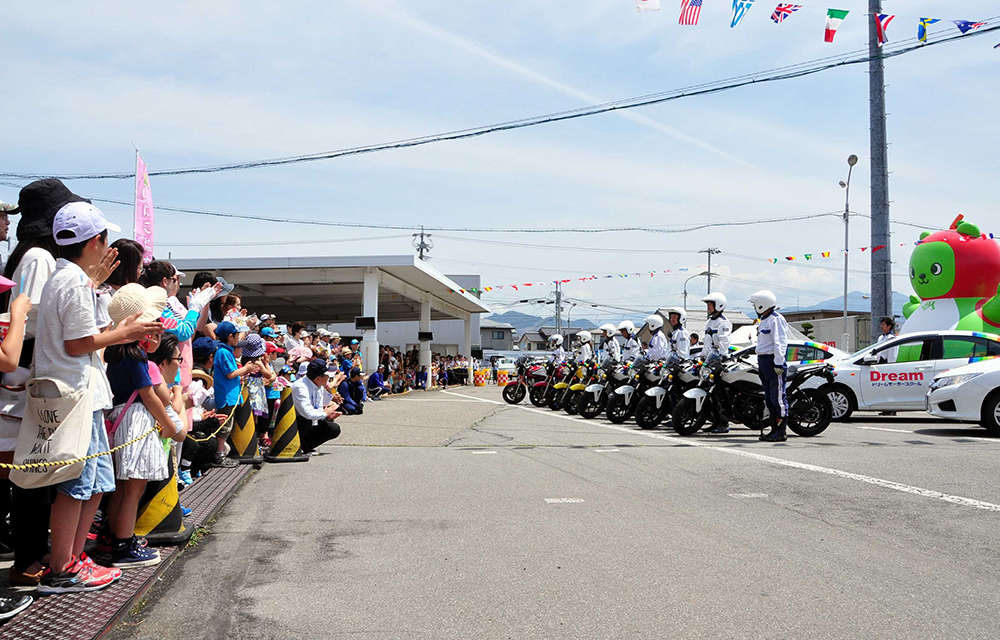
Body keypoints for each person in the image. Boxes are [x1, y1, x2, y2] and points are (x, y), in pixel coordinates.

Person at [35, 202, 163, 594]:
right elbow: (78, 344)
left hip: (81, 394)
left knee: (93, 482)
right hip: (76, 396)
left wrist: (118, 327)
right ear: (96, 242)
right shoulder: (72, 282)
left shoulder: (69, 277)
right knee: (76, 484)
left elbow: (85, 338)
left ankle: (73, 558)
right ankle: (65, 566)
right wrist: (124, 333)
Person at [0, 179, 77, 587]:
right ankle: (28, 559)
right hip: (24, 382)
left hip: (26, 380)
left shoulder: (32, 256)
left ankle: (31, 553)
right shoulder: (38, 259)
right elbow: (24, 321)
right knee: (32, 478)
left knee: (34, 477)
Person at [104, 290, 186, 568]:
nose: (156, 338)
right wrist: (167, 423)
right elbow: (149, 395)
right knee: (133, 490)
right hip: (137, 420)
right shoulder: (135, 356)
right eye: (153, 332)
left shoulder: (114, 353)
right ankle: (124, 546)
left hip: (119, 419)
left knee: (121, 489)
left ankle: (113, 536)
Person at [211, 321, 259, 467]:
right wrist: (246, 368)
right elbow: (230, 374)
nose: (238, 339)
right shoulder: (223, 352)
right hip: (226, 397)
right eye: (237, 335)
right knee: (224, 427)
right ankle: (219, 455)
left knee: (227, 426)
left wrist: (242, 374)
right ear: (230, 336)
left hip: (230, 395)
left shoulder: (225, 350)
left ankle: (221, 453)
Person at [749, 290, 790, 442]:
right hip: (764, 362)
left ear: (761, 304)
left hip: (773, 363)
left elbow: (780, 342)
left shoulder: (776, 319)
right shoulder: (763, 320)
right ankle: (773, 429)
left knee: (778, 398)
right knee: (769, 398)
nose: (754, 307)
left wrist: (778, 363)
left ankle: (781, 431)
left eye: (755, 304)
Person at [290, 359, 343, 454]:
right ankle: (296, 445)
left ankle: (305, 446)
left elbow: (319, 407)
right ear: (318, 378)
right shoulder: (300, 387)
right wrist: (325, 413)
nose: (328, 379)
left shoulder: (319, 385)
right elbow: (307, 413)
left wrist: (327, 415)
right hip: (297, 423)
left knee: (334, 429)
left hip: (311, 422)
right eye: (327, 376)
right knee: (306, 420)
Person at [701, 292, 732, 434]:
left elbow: (724, 343)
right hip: (710, 362)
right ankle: (715, 421)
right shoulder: (709, 322)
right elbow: (707, 343)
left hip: (718, 362)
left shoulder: (724, 323)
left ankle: (724, 423)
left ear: (718, 305)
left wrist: (720, 356)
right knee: (710, 394)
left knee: (720, 393)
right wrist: (702, 356)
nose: (708, 307)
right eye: (708, 304)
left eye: (710, 304)